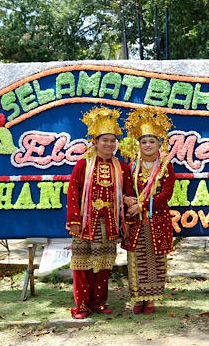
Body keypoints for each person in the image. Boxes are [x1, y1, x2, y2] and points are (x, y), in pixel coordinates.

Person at [66, 106, 134, 319]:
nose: (109, 144)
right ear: (95, 142)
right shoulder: (83, 165)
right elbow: (72, 193)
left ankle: (99, 303)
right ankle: (83, 306)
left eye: (113, 140)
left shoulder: (121, 167)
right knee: (82, 267)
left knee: (103, 267)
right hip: (85, 224)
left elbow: (129, 195)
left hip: (108, 225)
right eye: (105, 140)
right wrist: (74, 220)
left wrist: (127, 213)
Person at [120, 107, 176, 315]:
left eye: (152, 141)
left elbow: (166, 194)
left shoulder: (165, 165)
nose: (148, 145)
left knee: (156, 259)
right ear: (139, 144)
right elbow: (125, 189)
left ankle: (151, 300)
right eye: (144, 142)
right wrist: (127, 200)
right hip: (136, 221)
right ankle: (137, 299)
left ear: (158, 143)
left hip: (157, 219)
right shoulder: (132, 167)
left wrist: (141, 205)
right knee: (136, 259)